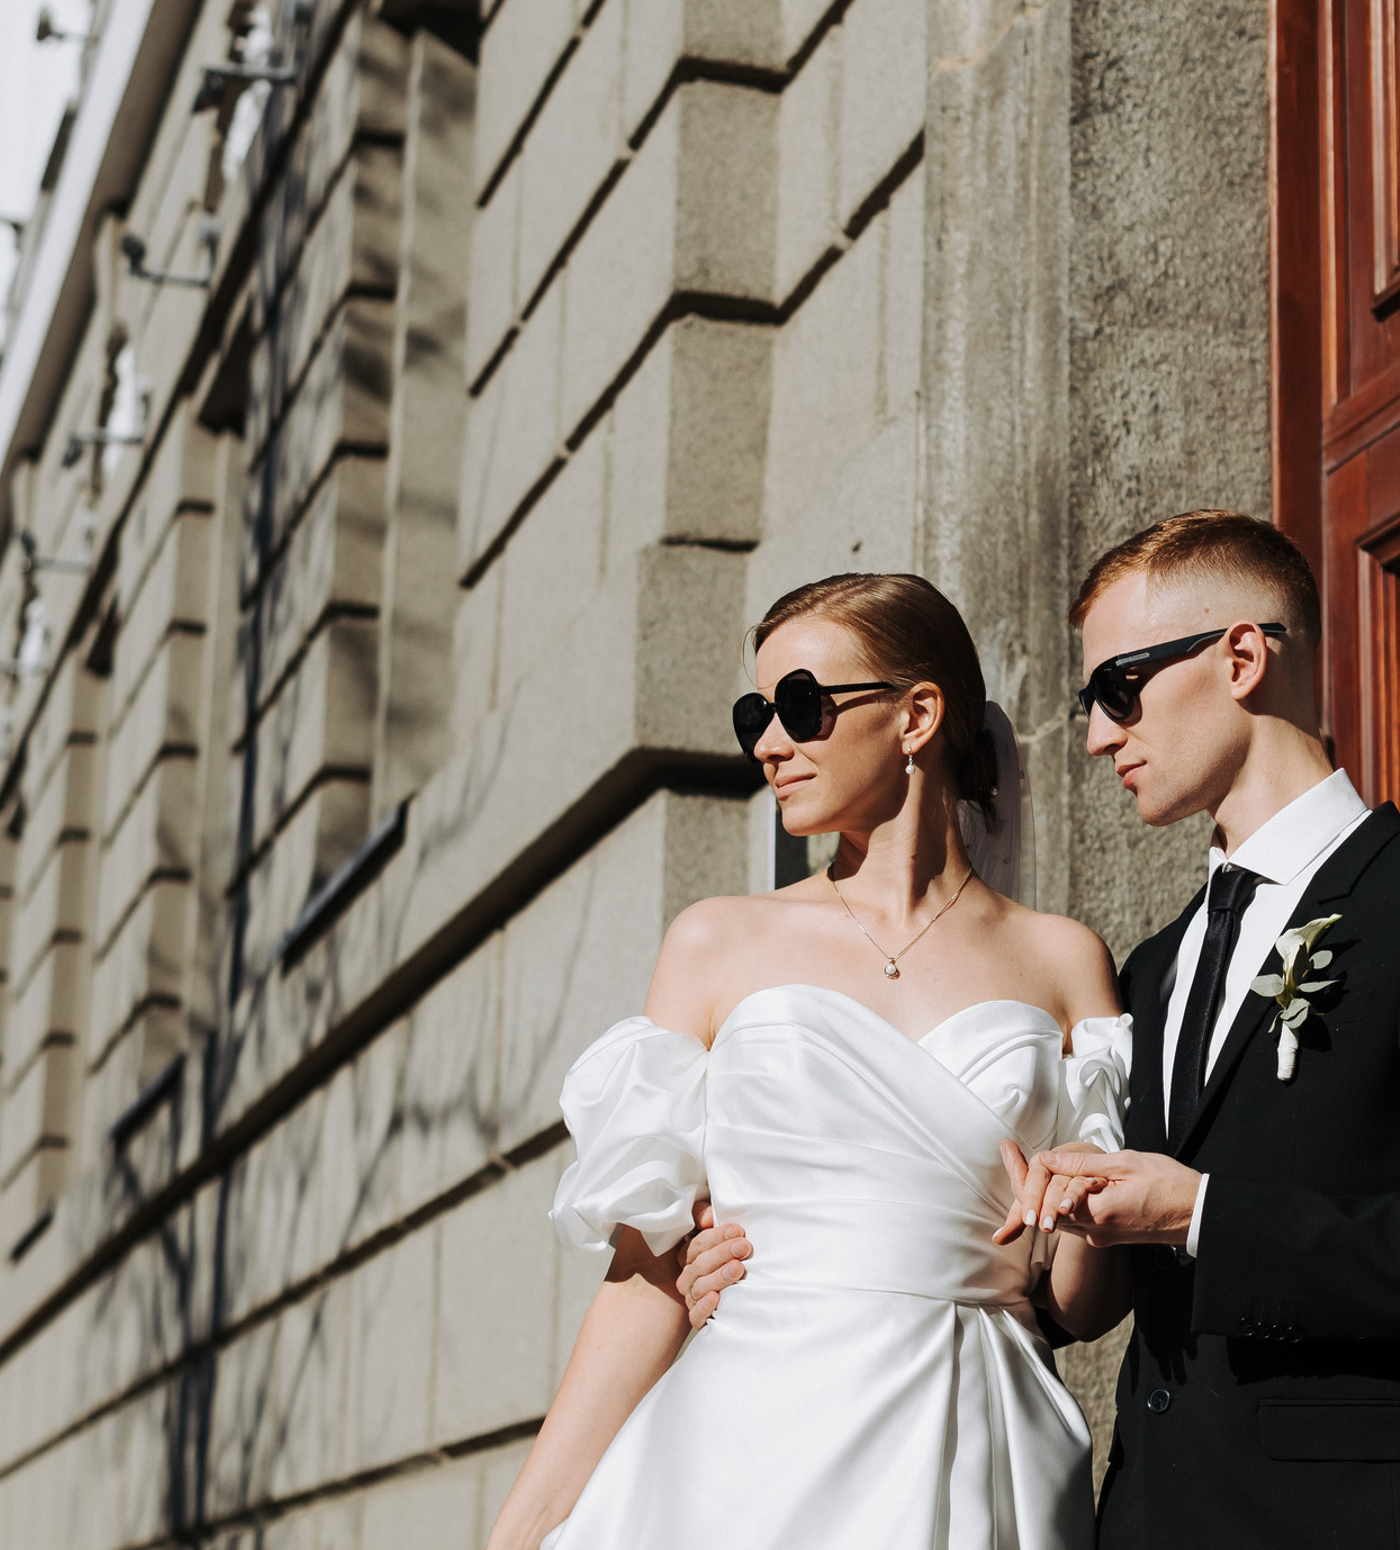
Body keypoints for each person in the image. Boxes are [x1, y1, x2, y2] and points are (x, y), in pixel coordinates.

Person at [683, 510, 1400, 1550]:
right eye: (1091, 701)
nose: (1096, 734)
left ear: (1243, 657)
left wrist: (1208, 1214)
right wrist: (801, 1271)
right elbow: (1085, 1281)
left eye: (1119, 688)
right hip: (1141, 1517)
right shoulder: (1153, 970)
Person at [484, 574, 1134, 1550]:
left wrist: (1072, 1223)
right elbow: (644, 1279)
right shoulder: (716, 943)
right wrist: (524, 1524)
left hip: (981, 1435)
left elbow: (1088, 1302)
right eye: (758, 713)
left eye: (800, 707)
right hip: (749, 1448)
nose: (768, 743)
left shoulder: (1061, 959)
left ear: (917, 715)